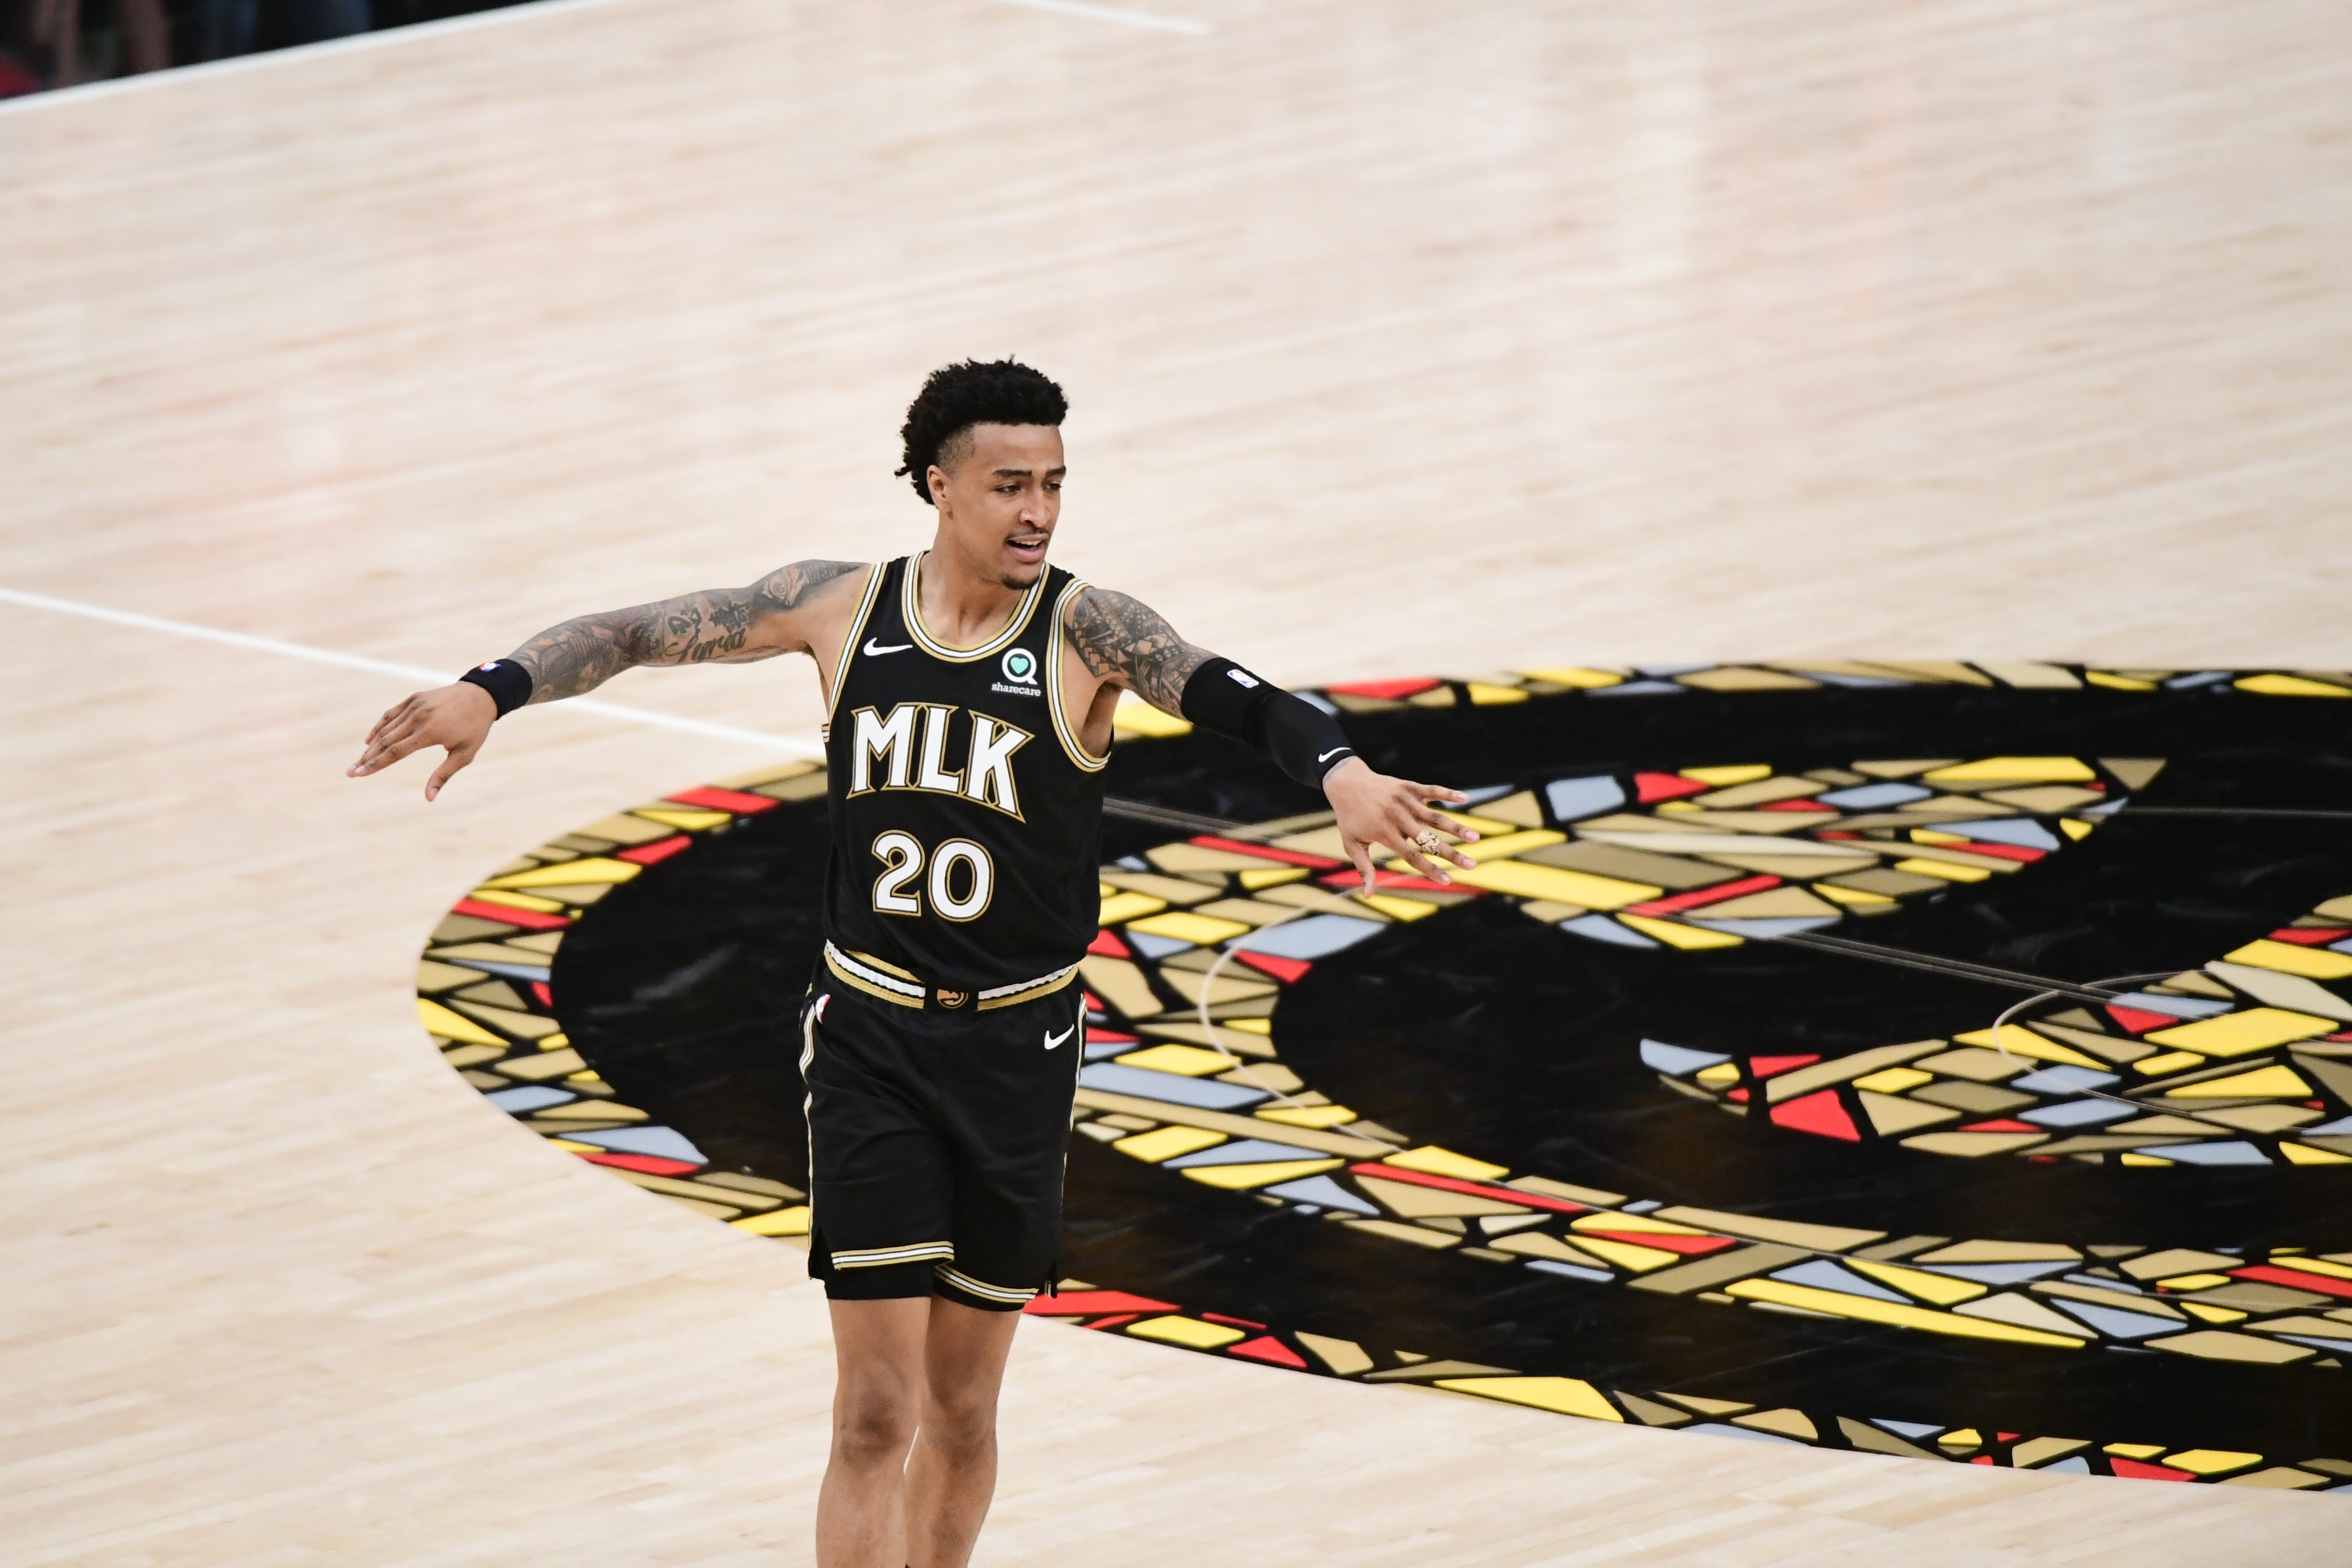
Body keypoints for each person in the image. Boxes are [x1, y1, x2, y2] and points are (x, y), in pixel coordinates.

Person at [350, 359, 1479, 1568]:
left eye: (1054, 483)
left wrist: (1340, 770)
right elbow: (637, 631)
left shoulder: (1087, 629)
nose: (1039, 511)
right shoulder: (842, 607)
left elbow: (1236, 695)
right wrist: (494, 689)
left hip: (1020, 1047)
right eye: (1009, 485)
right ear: (940, 486)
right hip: (871, 1039)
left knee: (963, 1408)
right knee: (872, 1413)